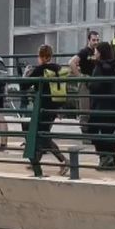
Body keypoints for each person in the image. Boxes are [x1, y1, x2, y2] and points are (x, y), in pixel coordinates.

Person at [23, 45, 71, 175]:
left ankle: (63, 160)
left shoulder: (41, 69)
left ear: (43, 57)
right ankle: (36, 162)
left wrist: (26, 74)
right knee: (42, 133)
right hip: (55, 106)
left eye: (39, 56)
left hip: (43, 107)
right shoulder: (58, 68)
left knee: (42, 135)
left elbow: (24, 85)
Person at [86, 41, 115, 171]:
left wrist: (89, 83)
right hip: (114, 106)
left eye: (96, 51)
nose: (94, 53)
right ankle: (111, 158)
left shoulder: (99, 68)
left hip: (100, 106)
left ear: (100, 53)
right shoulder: (114, 66)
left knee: (95, 132)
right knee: (109, 133)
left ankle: (105, 158)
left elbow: (95, 86)